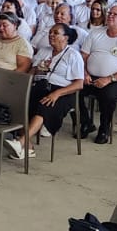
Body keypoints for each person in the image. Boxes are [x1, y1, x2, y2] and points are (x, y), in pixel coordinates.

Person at [12, 22, 84, 157]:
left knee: (44, 105)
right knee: (20, 102)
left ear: (66, 37)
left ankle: (21, 141)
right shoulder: (44, 51)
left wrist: (57, 93)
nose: (51, 35)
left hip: (63, 91)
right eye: (50, 32)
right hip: (41, 85)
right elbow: (32, 71)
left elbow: (79, 84)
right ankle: (28, 148)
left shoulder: (73, 55)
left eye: (56, 33)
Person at [78, 4, 117, 144]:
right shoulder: (95, 33)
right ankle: (86, 122)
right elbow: (82, 57)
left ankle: (104, 128)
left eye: (115, 14)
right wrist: (84, 73)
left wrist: (109, 79)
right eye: (109, 13)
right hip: (91, 76)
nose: (110, 16)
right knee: (73, 88)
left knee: (107, 94)